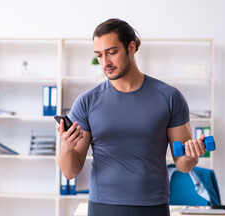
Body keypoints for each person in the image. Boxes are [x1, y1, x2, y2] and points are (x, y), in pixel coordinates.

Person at [57, 18, 206, 216]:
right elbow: (70, 172)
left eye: (112, 52)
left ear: (131, 48)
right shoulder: (86, 102)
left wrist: (191, 156)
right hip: (102, 207)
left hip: (153, 208)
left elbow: (183, 165)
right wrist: (66, 147)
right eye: (99, 55)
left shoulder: (169, 97)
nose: (105, 62)